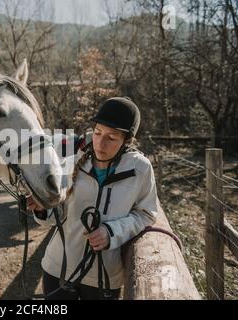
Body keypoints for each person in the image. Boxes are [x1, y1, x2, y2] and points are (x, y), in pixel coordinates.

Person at [28, 97, 159, 300]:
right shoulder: (72, 163)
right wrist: (42, 208)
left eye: (111, 137)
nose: (100, 143)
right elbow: (59, 215)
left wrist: (112, 232)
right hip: (58, 269)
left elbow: (146, 215)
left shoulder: (140, 169)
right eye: (97, 133)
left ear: (127, 140)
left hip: (105, 278)